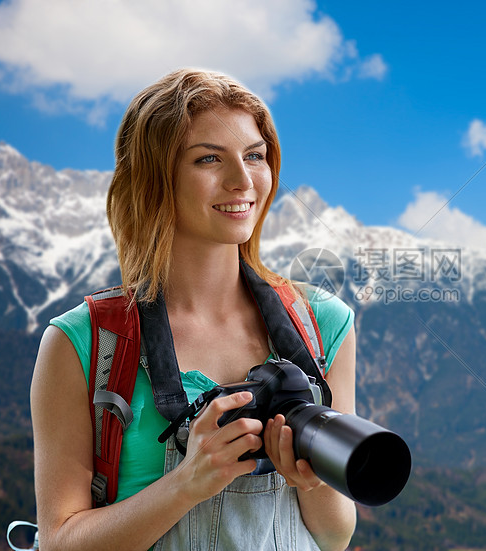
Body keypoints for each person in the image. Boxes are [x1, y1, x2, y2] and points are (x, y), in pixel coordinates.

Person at [30, 68, 358, 551]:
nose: (242, 180)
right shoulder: (85, 342)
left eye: (255, 156)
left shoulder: (323, 324)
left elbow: (333, 535)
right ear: (154, 177)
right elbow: (59, 541)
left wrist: (309, 479)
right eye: (209, 159)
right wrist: (187, 483)